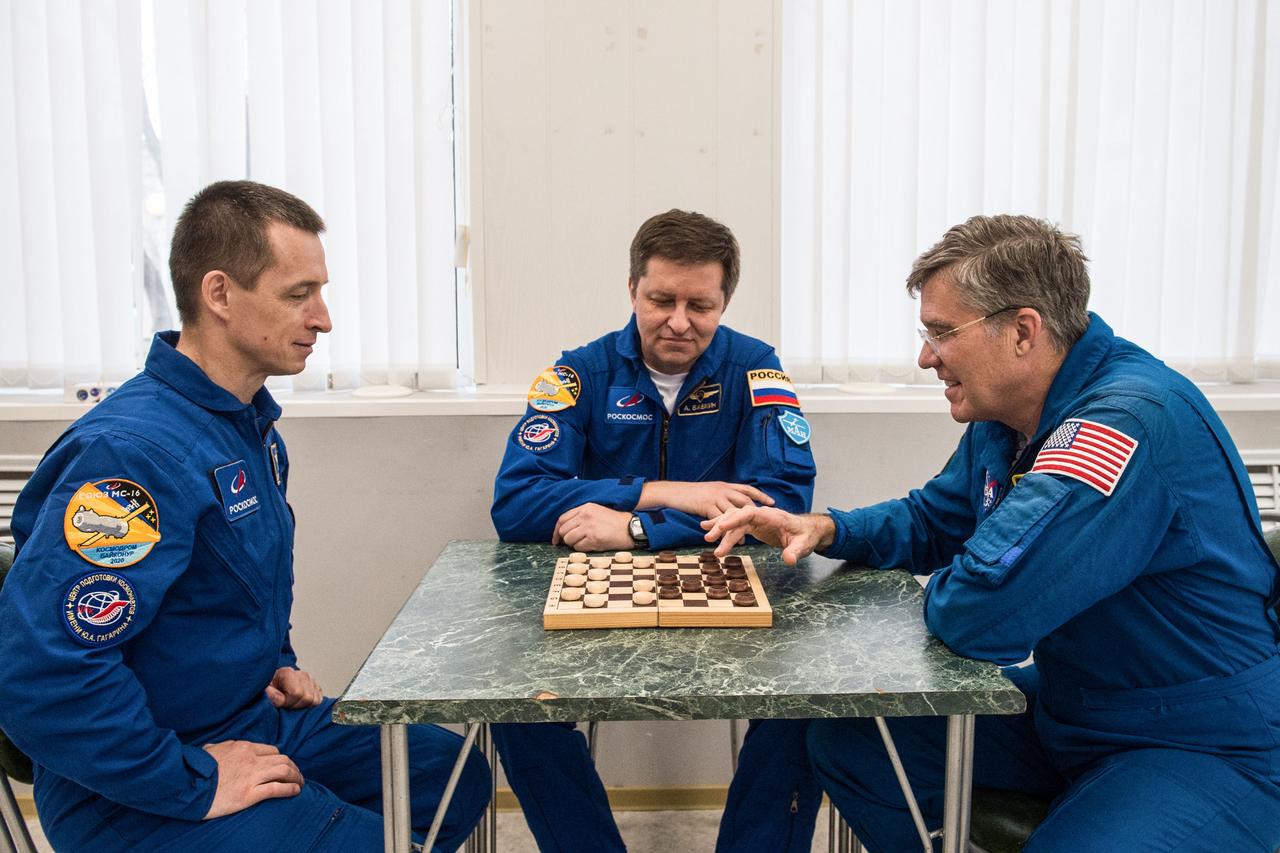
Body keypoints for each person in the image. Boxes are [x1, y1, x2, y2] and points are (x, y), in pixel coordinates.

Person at [704, 214, 1280, 851]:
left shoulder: (1121, 426)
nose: (927, 357)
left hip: (1198, 737)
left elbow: (982, 615)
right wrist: (824, 527)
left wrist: (964, 579)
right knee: (854, 739)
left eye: (943, 333)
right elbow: (936, 520)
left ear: (1023, 331)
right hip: (1074, 707)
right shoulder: (1009, 414)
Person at [0, 180, 490, 852]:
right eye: (299, 294)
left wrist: (274, 659)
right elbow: (41, 676)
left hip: (247, 716)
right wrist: (192, 780)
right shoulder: (130, 457)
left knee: (446, 772)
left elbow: (230, 584)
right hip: (134, 785)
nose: (324, 318)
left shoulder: (244, 426)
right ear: (220, 294)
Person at [490, 209, 821, 852]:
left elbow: (781, 504)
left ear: (725, 301)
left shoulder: (757, 366)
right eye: (661, 299)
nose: (679, 320)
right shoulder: (579, 372)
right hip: (596, 592)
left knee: (803, 708)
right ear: (632, 289)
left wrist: (639, 528)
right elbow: (516, 502)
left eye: (701, 304)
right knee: (516, 710)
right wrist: (663, 491)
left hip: (724, 584)